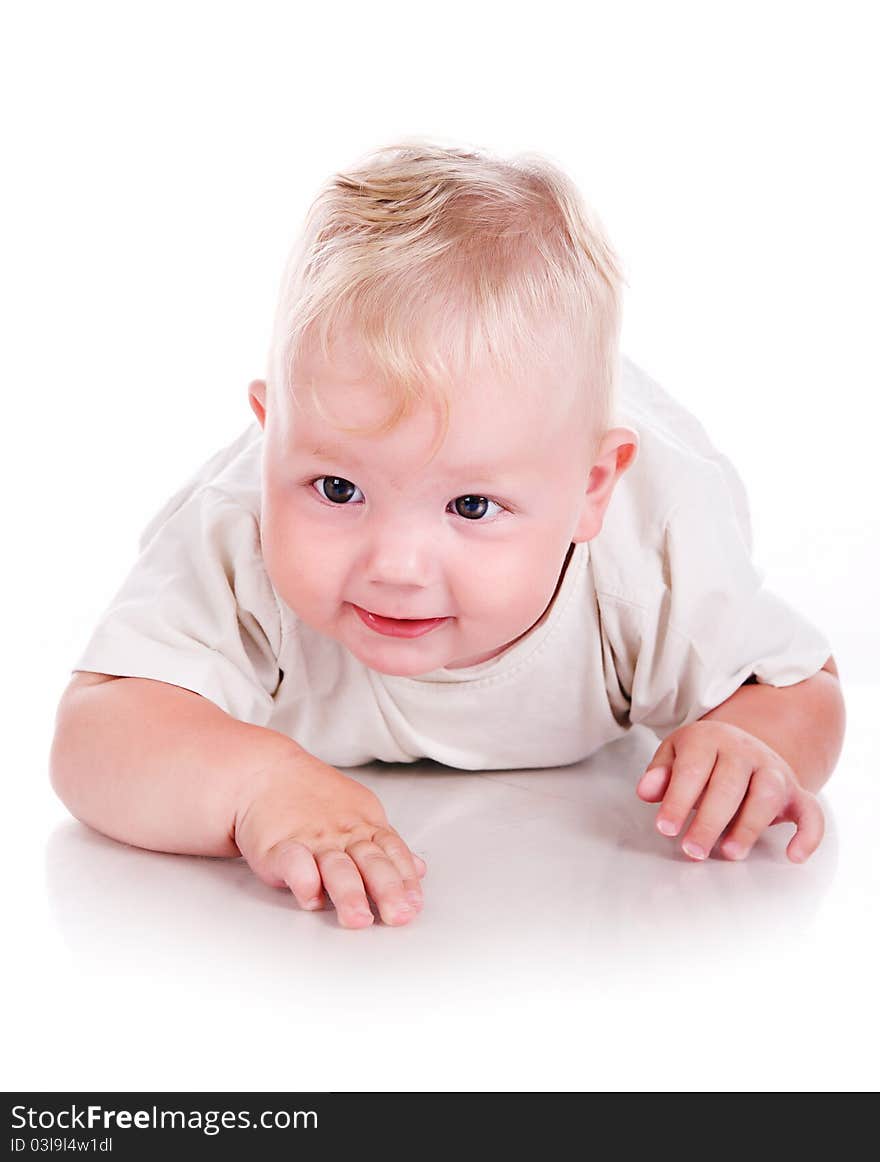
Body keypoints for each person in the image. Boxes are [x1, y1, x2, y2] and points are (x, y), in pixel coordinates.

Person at [50, 138, 846, 929]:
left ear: (590, 492)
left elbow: (799, 683)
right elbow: (94, 736)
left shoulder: (651, 549)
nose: (394, 566)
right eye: (338, 488)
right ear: (271, 440)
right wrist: (254, 784)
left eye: (470, 508)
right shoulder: (239, 531)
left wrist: (748, 744)